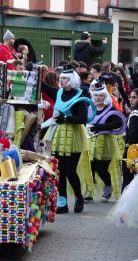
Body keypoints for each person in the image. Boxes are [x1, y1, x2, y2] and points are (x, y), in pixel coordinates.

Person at [42, 65, 88, 214]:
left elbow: (83, 118)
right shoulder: (59, 92)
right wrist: (30, 73)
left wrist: (66, 118)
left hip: (74, 135)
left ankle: (79, 197)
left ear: (72, 79)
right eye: (60, 78)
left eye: (64, 78)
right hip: (58, 133)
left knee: (70, 170)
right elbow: (43, 86)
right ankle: (62, 202)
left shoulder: (80, 95)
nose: (61, 80)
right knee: (60, 170)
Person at [88, 82, 124, 202]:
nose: (98, 98)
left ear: (105, 97)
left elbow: (118, 123)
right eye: (96, 95)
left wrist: (101, 127)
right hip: (91, 141)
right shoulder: (90, 108)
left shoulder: (110, 109)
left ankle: (108, 187)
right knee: (90, 167)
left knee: (101, 168)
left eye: (101, 95)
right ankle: (88, 191)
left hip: (106, 143)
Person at [123, 89, 138, 191]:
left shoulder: (134, 114)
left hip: (132, 150)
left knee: (127, 181)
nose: (131, 100)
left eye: (134, 98)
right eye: (130, 97)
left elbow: (133, 133)